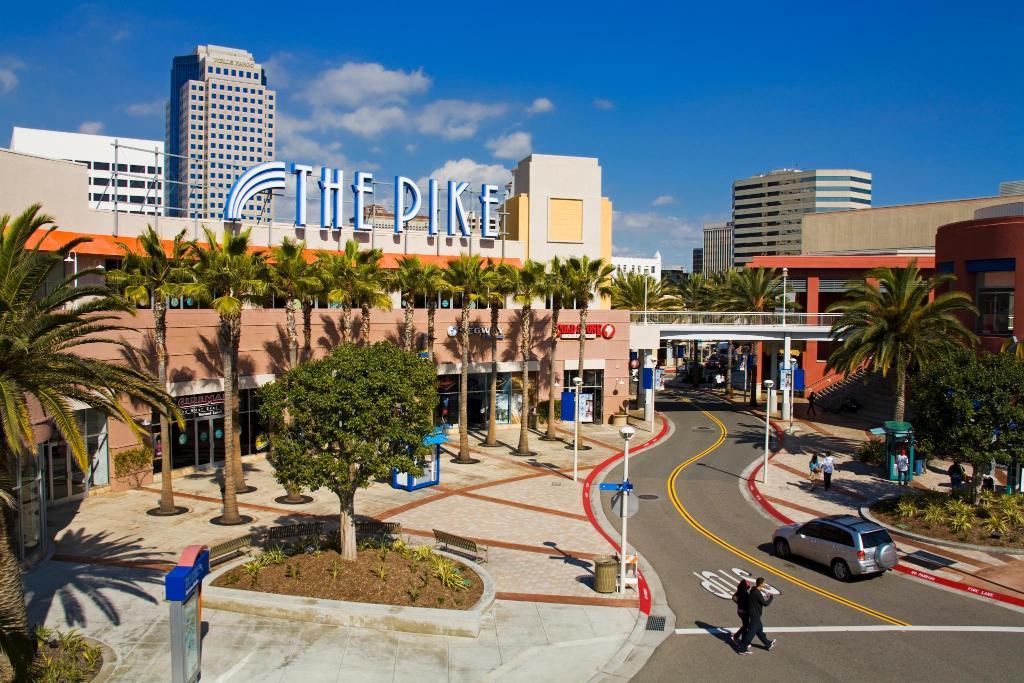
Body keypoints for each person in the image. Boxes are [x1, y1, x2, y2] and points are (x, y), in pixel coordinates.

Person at [737, 577, 776, 654]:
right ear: (761, 584)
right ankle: (742, 649)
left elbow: (757, 600)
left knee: (759, 630)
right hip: (755, 616)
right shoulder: (757, 593)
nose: (764, 584)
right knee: (751, 633)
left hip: (754, 615)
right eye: (764, 583)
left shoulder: (753, 590)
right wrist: (771, 597)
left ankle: (768, 644)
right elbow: (765, 603)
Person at [731, 580, 750, 644]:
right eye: (748, 585)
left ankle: (736, 636)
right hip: (744, 612)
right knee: (745, 626)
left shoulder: (739, 590)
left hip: (739, 611)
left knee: (745, 625)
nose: (749, 586)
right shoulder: (745, 594)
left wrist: (738, 603)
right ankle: (742, 640)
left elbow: (733, 597)